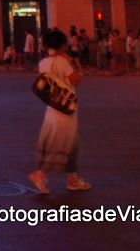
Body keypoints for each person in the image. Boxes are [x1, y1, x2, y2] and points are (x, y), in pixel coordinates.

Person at [29, 29, 91, 194]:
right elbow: (75, 81)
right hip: (66, 107)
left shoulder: (43, 63)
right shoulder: (62, 61)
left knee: (68, 144)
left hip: (52, 107)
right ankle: (40, 174)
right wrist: (71, 65)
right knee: (62, 144)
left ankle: (73, 179)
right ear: (62, 45)